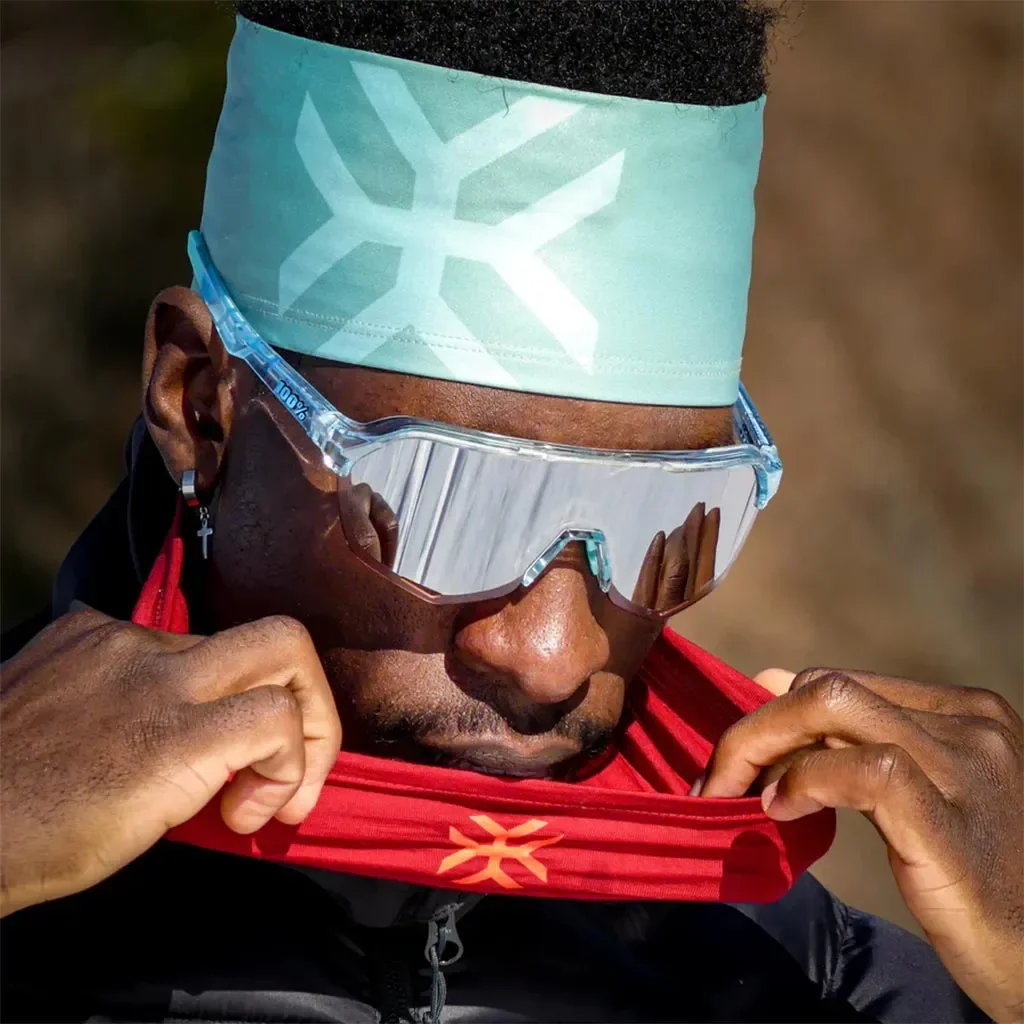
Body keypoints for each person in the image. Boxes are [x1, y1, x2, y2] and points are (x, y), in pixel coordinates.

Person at [1, 3, 1021, 1022]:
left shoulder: (818, 976)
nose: (554, 657)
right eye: (445, 499)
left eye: (667, 518)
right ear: (200, 406)